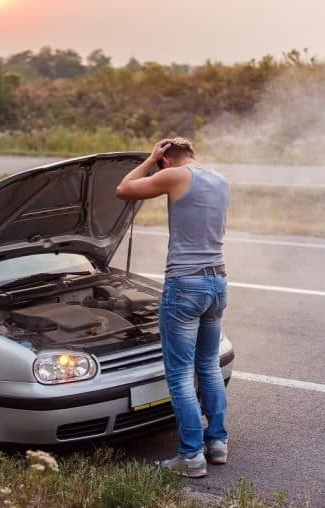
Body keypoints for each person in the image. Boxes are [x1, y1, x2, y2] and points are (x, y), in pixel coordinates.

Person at [116, 138, 230, 478]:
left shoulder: (175, 175)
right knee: (208, 365)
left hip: (185, 284)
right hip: (218, 282)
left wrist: (150, 157)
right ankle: (218, 442)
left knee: (180, 375)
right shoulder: (221, 180)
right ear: (193, 152)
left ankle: (191, 457)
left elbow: (124, 189)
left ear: (167, 161)